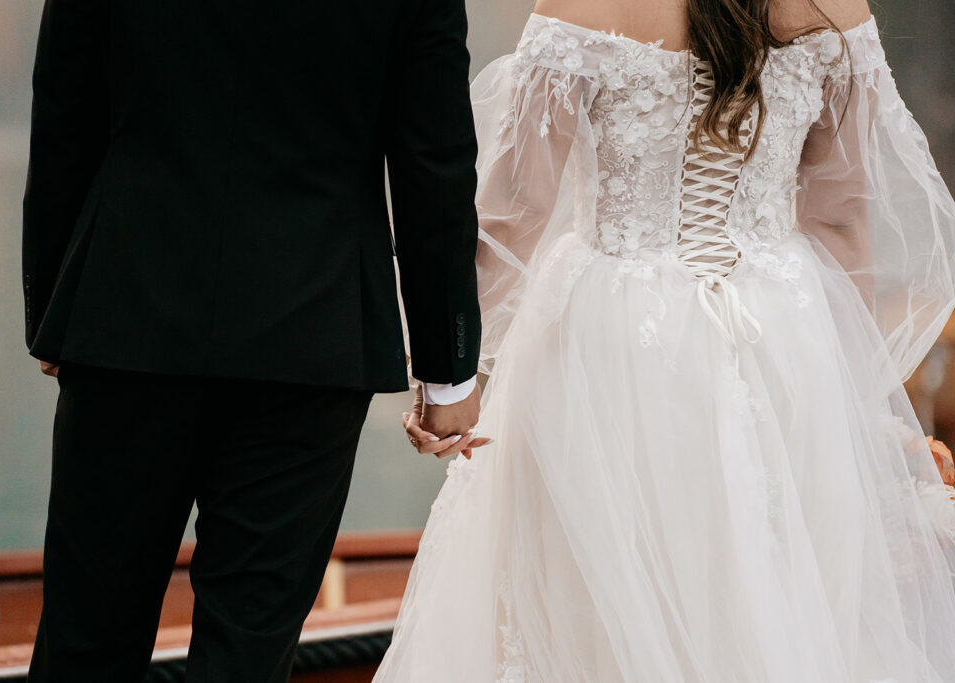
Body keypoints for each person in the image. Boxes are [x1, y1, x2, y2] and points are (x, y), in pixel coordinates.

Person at [380, 0, 955, 679]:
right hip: (786, 343)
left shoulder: (583, 3)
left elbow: (514, 217)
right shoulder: (835, 6)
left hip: (613, 345)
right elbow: (841, 221)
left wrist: (449, 375)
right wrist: (855, 405)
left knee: (598, 613)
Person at [21, 0, 487, 680]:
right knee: (244, 657)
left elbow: (64, 106)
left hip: (126, 314)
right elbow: (434, 162)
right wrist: (448, 375)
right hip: (313, 333)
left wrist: (54, 311)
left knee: (85, 643)